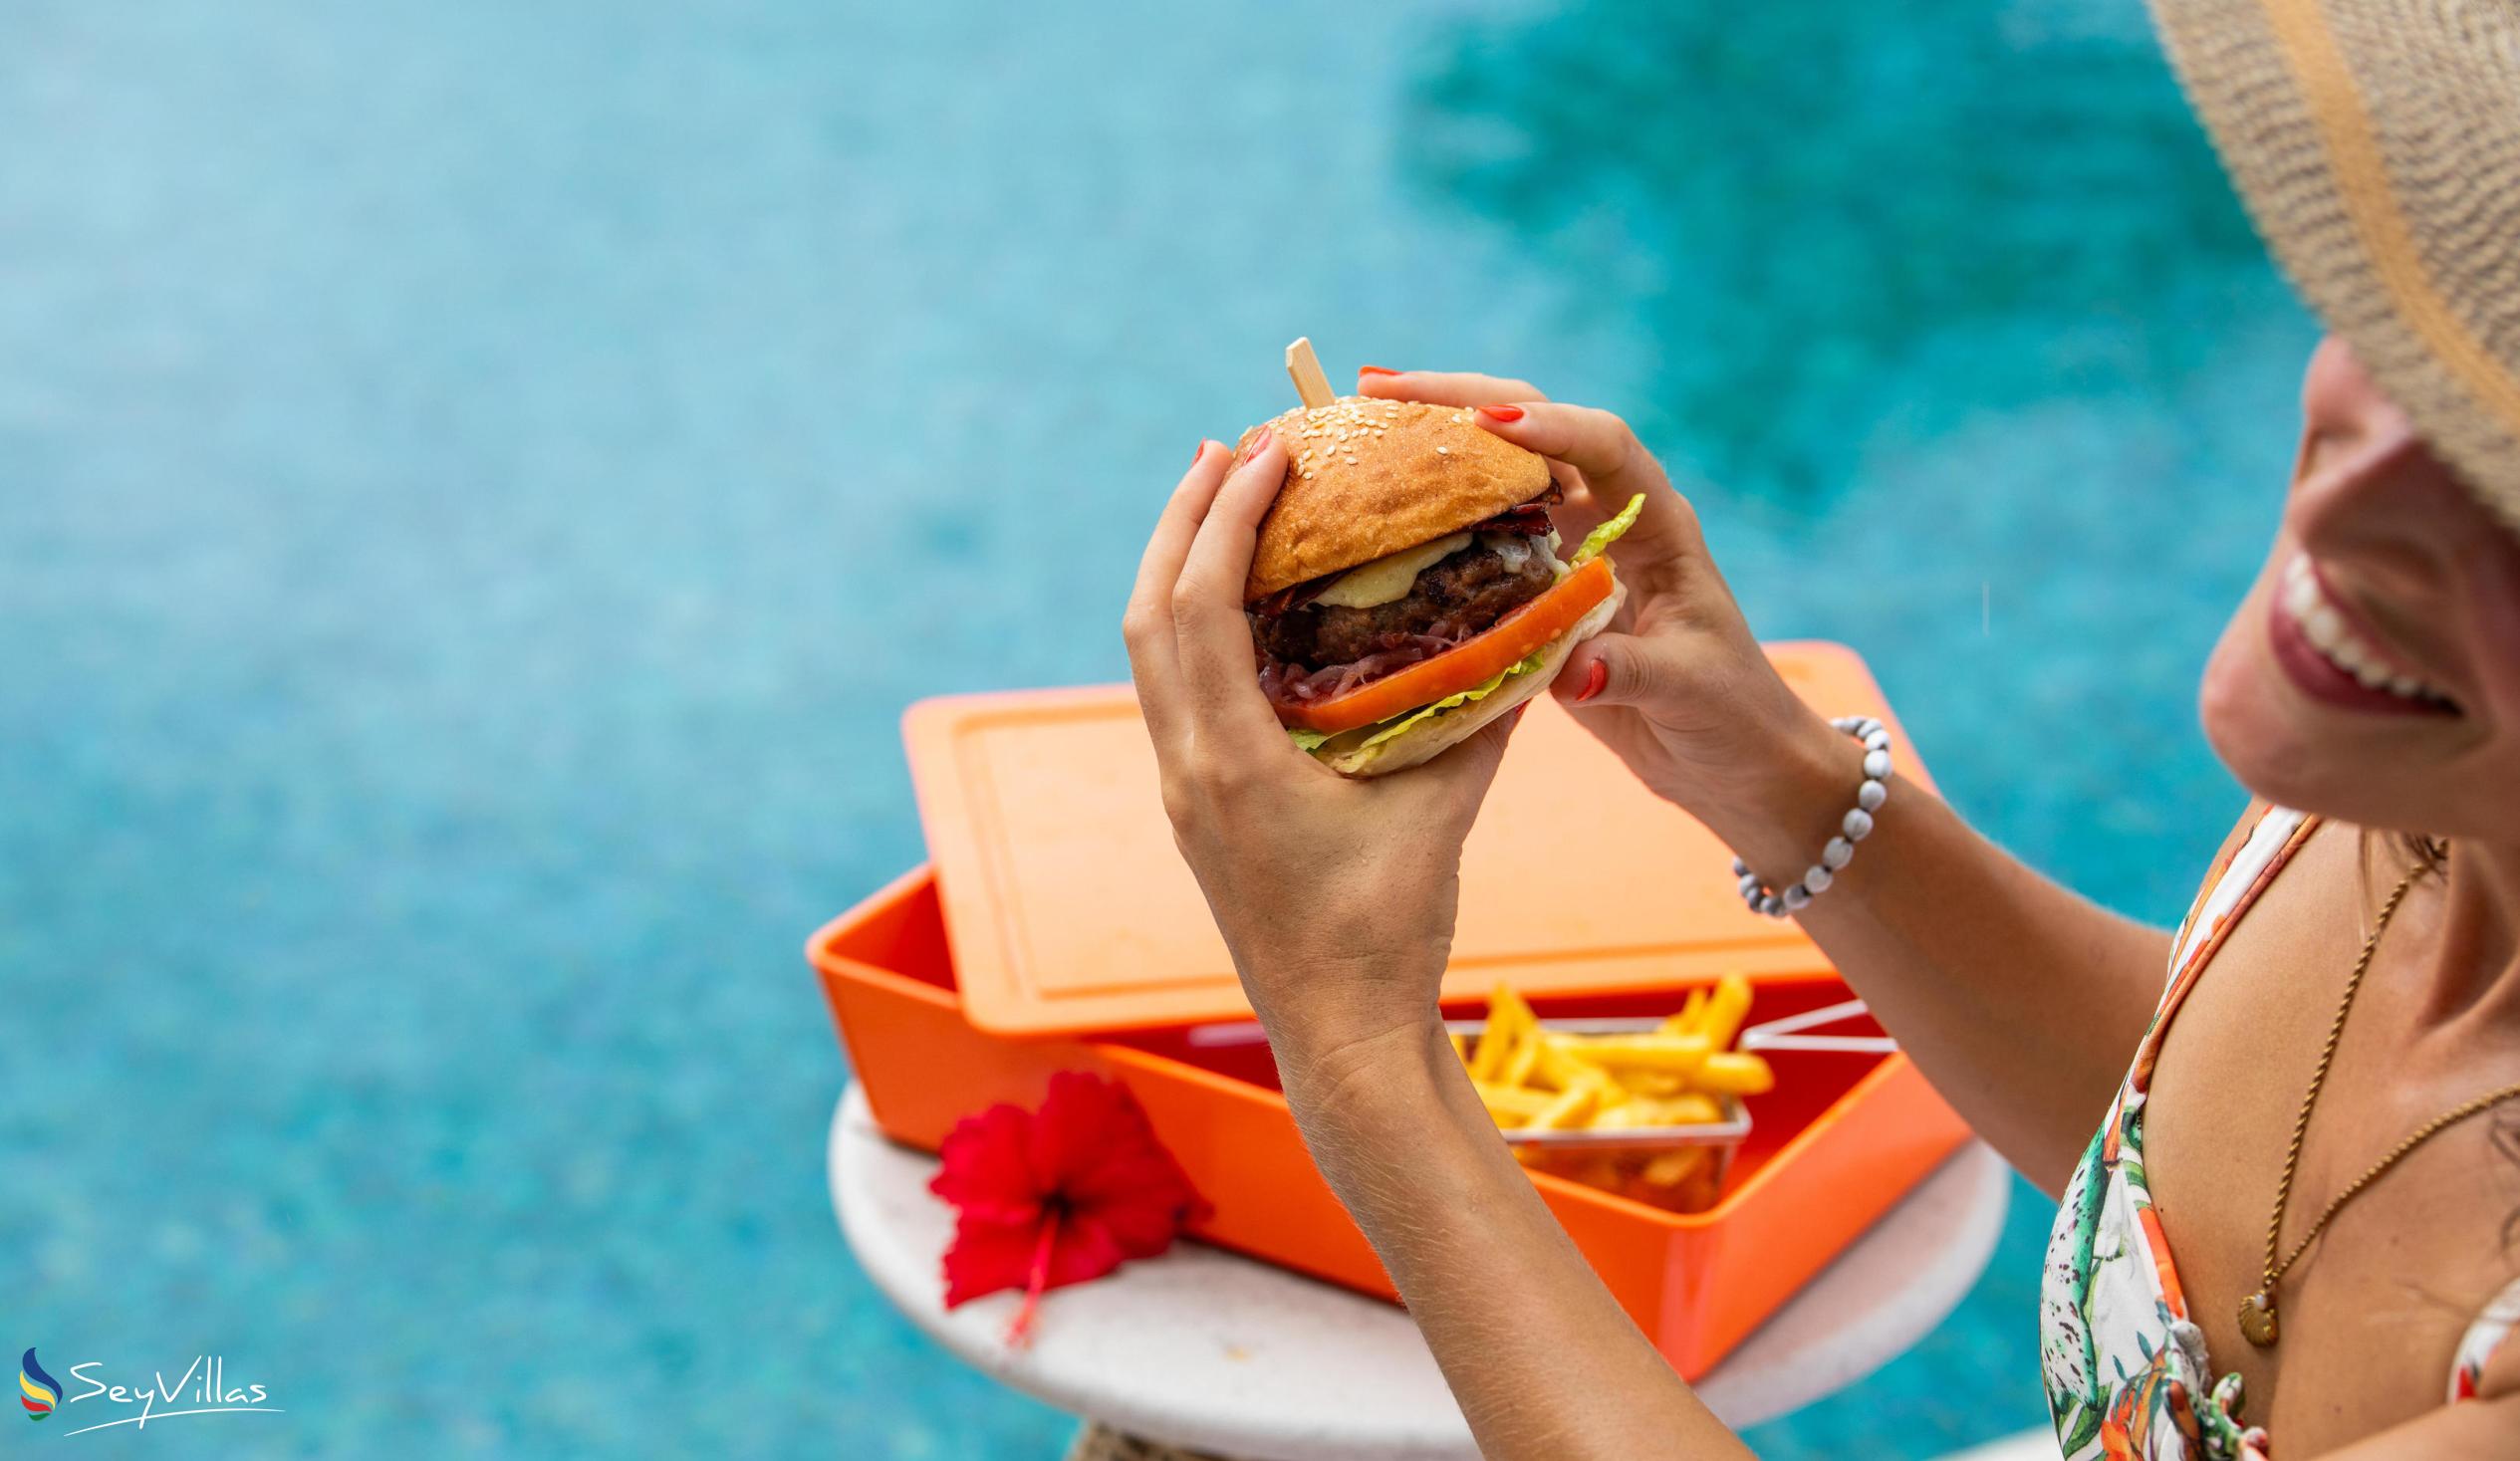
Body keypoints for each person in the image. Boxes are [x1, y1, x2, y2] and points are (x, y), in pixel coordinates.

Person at [1121, 2, 2520, 1457]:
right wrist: (1770, 775)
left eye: (2508, 494)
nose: (2347, 508)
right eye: (2441, 336)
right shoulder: (2405, 786)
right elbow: (2200, 1147)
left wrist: (1357, 1059)